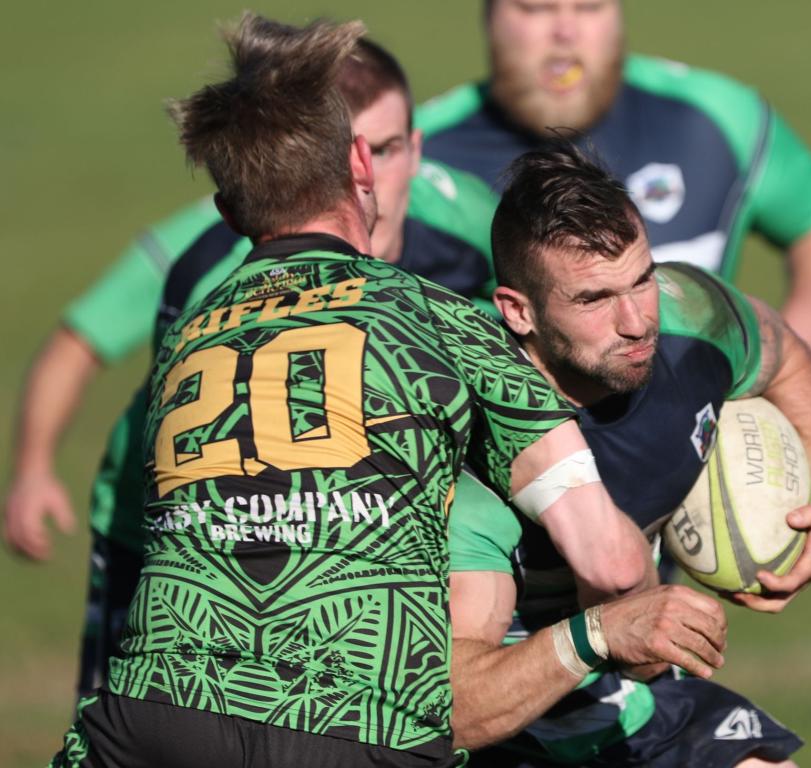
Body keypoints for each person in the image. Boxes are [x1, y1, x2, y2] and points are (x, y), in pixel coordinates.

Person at [50, 16, 699, 768]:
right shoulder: (452, 324)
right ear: (362, 163)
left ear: (232, 215)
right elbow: (609, 563)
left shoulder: (188, 339)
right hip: (359, 722)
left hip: (149, 721)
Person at [42, 36, 503, 699]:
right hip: (179, 522)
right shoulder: (216, 277)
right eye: (351, 156)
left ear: (417, 148)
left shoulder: (471, 222)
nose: (370, 179)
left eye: (391, 148)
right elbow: (225, 472)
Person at [444, 143, 811, 766]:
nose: (637, 321)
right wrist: (602, 632)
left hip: (627, 676)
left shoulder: (691, 317)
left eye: (642, 279)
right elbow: (457, 707)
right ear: (518, 312)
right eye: (594, 299)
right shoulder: (474, 445)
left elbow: (782, 349)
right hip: (507, 693)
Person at [416, 0, 811, 376]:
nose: (565, 31)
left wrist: (807, 331)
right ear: (490, 16)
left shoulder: (713, 119)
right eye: (537, 8)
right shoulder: (416, 156)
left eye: (590, 7)